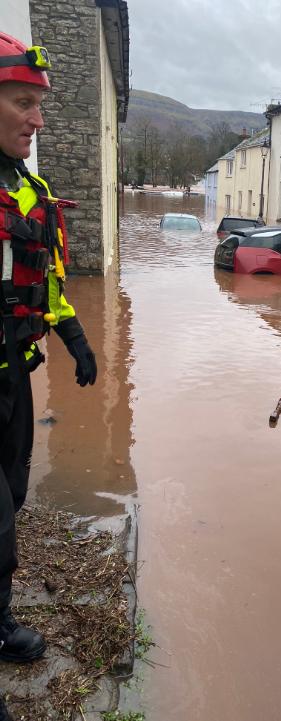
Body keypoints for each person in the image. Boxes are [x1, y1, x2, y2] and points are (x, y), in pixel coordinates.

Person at [0, 33, 97, 721]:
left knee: (10, 498)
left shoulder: (29, 187)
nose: (37, 120)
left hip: (11, 379)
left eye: (39, 105)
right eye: (21, 103)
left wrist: (73, 335)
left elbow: (48, 283)